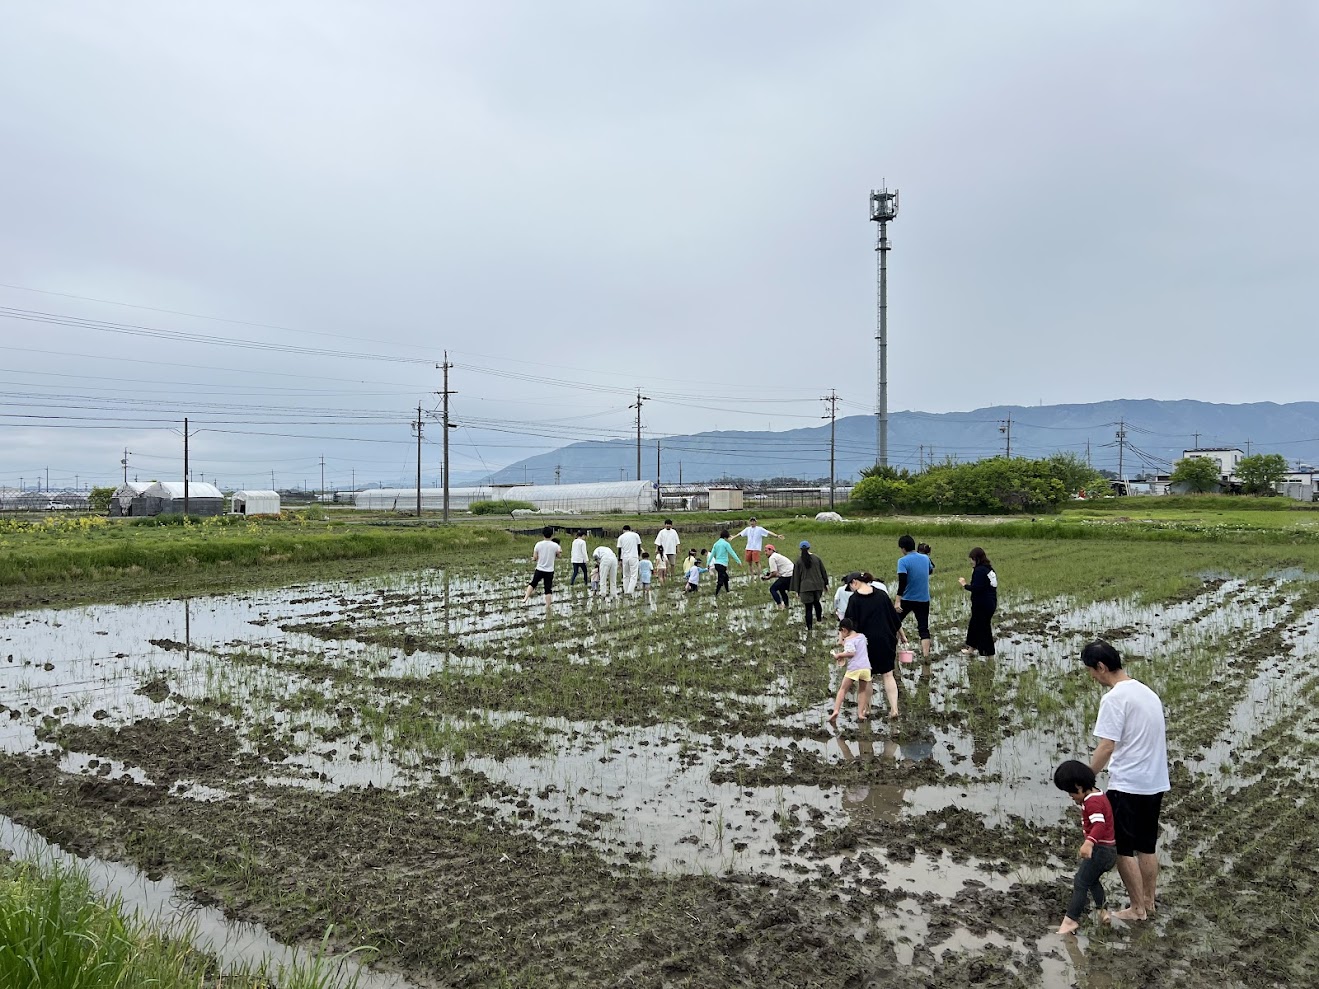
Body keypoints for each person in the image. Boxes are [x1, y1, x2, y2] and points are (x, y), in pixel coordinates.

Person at [1082, 640, 1170, 922]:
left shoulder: (1115, 698)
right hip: (1154, 781)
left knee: (1121, 848)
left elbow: (1107, 746)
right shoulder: (1146, 692)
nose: (1092, 677)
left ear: (1101, 667)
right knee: (1146, 845)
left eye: (1091, 671)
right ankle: (1149, 901)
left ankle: (1137, 909)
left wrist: (1086, 778)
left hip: (1128, 784)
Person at [1053, 759, 1117, 935]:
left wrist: (1089, 842)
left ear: (1079, 787)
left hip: (1100, 851)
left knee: (1080, 882)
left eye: (1070, 792)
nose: (1070, 796)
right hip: (1111, 850)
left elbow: (1099, 824)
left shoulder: (1091, 802)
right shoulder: (1099, 795)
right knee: (1092, 880)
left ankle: (1070, 920)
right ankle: (1103, 912)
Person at [843, 572, 901, 718]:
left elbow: (849, 625)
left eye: (850, 585)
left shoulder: (854, 600)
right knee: (888, 675)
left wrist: (845, 642)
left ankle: (866, 709)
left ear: (854, 582)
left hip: (865, 643)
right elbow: (894, 619)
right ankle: (894, 709)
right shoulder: (882, 595)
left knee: (866, 677)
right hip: (885, 640)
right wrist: (903, 636)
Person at [893, 534, 933, 658]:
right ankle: (926, 655)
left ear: (903, 548)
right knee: (923, 628)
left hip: (907, 599)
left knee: (894, 623)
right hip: (923, 599)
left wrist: (897, 600)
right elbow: (930, 570)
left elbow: (902, 581)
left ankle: (894, 651)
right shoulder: (925, 559)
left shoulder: (903, 561)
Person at [829, 618, 871, 724]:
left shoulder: (848, 640)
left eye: (841, 633)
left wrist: (839, 655)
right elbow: (859, 647)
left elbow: (851, 652)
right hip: (866, 668)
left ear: (844, 630)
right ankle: (861, 713)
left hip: (854, 668)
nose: (841, 637)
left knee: (842, 689)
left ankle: (836, 710)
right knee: (862, 691)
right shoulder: (862, 636)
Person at [957, 547, 998, 656]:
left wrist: (964, 585)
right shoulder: (989, 569)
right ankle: (971, 649)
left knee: (983, 628)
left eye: (972, 559)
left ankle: (988, 653)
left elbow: (976, 588)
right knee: (974, 625)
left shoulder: (979, 570)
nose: (971, 562)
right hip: (990, 603)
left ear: (977, 559)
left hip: (982, 604)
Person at [788, 540, 828, 630]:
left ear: (800, 549)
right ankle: (819, 621)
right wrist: (826, 584)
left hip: (805, 587)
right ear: (809, 548)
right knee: (817, 603)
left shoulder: (798, 561)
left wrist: (797, 591)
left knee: (808, 608)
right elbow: (823, 572)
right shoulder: (817, 558)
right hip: (818, 585)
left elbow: (796, 577)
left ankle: (809, 628)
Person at [524, 526, 560, 605]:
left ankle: (525, 598)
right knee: (548, 589)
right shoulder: (555, 546)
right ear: (552, 534)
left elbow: (535, 557)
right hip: (549, 570)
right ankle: (548, 606)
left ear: (543, 534)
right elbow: (559, 555)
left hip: (539, 569)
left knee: (533, 583)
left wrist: (534, 559)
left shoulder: (538, 544)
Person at [708, 528, 742, 595]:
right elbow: (732, 553)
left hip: (717, 564)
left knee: (725, 577)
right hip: (722, 565)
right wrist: (738, 561)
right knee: (720, 580)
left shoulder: (716, 544)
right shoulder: (726, 544)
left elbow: (712, 554)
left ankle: (727, 591)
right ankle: (716, 594)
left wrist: (708, 563)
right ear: (726, 536)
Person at [763, 543, 794, 609]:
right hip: (792, 574)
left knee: (772, 589)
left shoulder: (772, 558)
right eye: (764, 551)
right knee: (781, 588)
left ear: (771, 550)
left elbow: (774, 573)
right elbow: (777, 574)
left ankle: (780, 605)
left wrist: (768, 577)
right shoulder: (777, 556)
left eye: (766, 551)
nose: (765, 553)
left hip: (787, 575)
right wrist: (770, 575)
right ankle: (786, 605)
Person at [618, 524, 643, 594]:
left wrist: (619, 560)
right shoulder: (636, 535)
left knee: (625, 575)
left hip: (624, 558)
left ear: (623, 530)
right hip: (634, 556)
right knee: (634, 575)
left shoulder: (621, 537)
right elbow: (638, 546)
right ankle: (630, 591)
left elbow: (619, 550)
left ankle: (626, 591)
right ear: (630, 529)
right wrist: (638, 555)